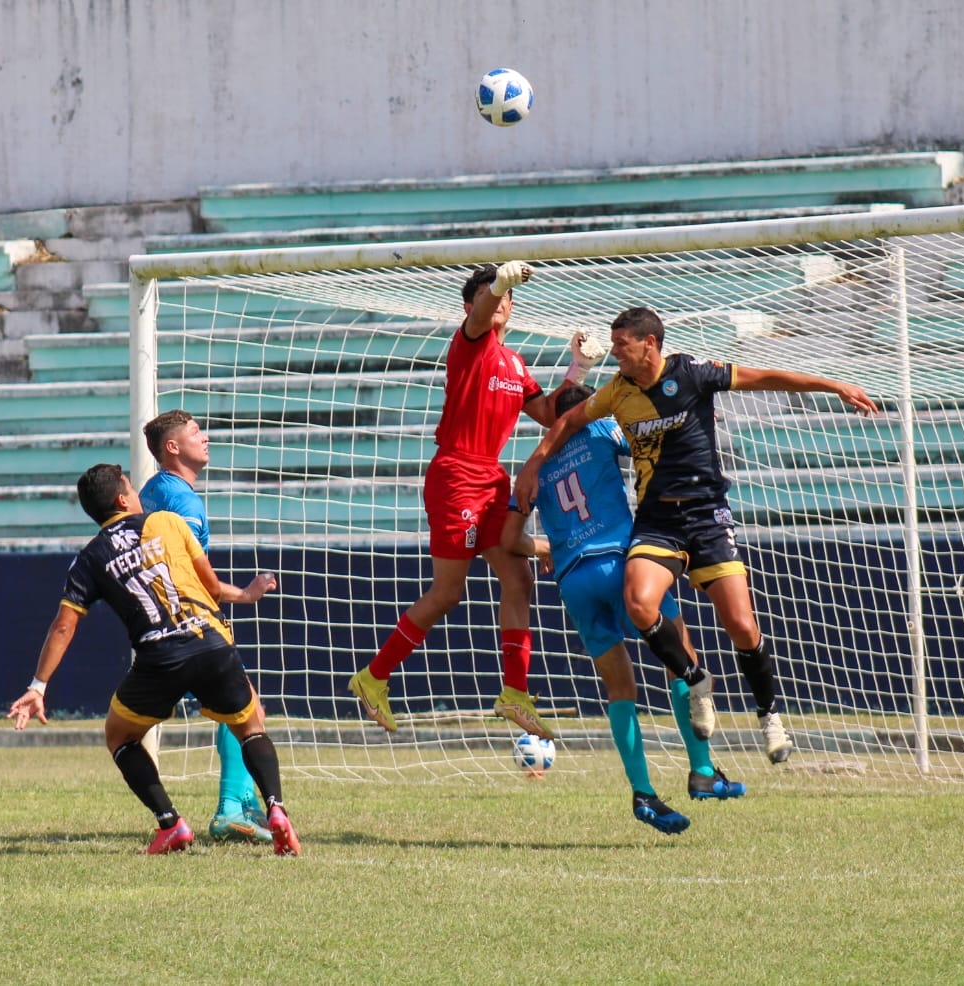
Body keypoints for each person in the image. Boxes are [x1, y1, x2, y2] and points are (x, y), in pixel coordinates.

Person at [514, 306, 879, 763]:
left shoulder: (693, 374)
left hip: (707, 516)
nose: (617, 356)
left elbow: (763, 377)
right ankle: (695, 679)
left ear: (650, 343)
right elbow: (567, 420)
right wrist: (533, 463)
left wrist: (834, 385)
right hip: (657, 521)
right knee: (639, 603)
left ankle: (769, 716)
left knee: (742, 626)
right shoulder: (618, 392)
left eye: (622, 346)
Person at [348, 261, 604, 741]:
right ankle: (373, 677)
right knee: (447, 594)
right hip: (457, 474)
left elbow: (551, 413)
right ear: (472, 306)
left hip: (490, 477)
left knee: (518, 578)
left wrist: (580, 367)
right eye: (491, 295)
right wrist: (498, 283)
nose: (502, 301)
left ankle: (515, 692)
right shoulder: (470, 343)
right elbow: (484, 309)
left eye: (507, 295)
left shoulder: (514, 363)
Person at [7, 463, 300, 856]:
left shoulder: (89, 559)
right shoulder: (167, 522)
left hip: (159, 658)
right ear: (123, 498)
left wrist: (37, 686)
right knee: (250, 727)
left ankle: (171, 823)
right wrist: (247, 595)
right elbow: (210, 587)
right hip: (211, 643)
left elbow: (63, 626)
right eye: (130, 485)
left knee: (119, 737)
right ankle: (277, 811)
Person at [502, 383, 747, 835]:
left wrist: (545, 546)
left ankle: (643, 793)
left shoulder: (531, 467)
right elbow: (648, 441)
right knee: (682, 660)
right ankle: (703, 772)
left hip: (575, 580)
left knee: (620, 688)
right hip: (621, 563)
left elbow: (508, 540)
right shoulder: (601, 429)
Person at [138, 409, 271, 845]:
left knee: (241, 707)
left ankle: (237, 803)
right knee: (248, 710)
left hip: (153, 626)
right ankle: (233, 808)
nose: (205, 437)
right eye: (196, 432)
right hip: (192, 626)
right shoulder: (185, 504)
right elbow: (193, 579)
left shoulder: (150, 493)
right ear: (172, 447)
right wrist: (246, 594)